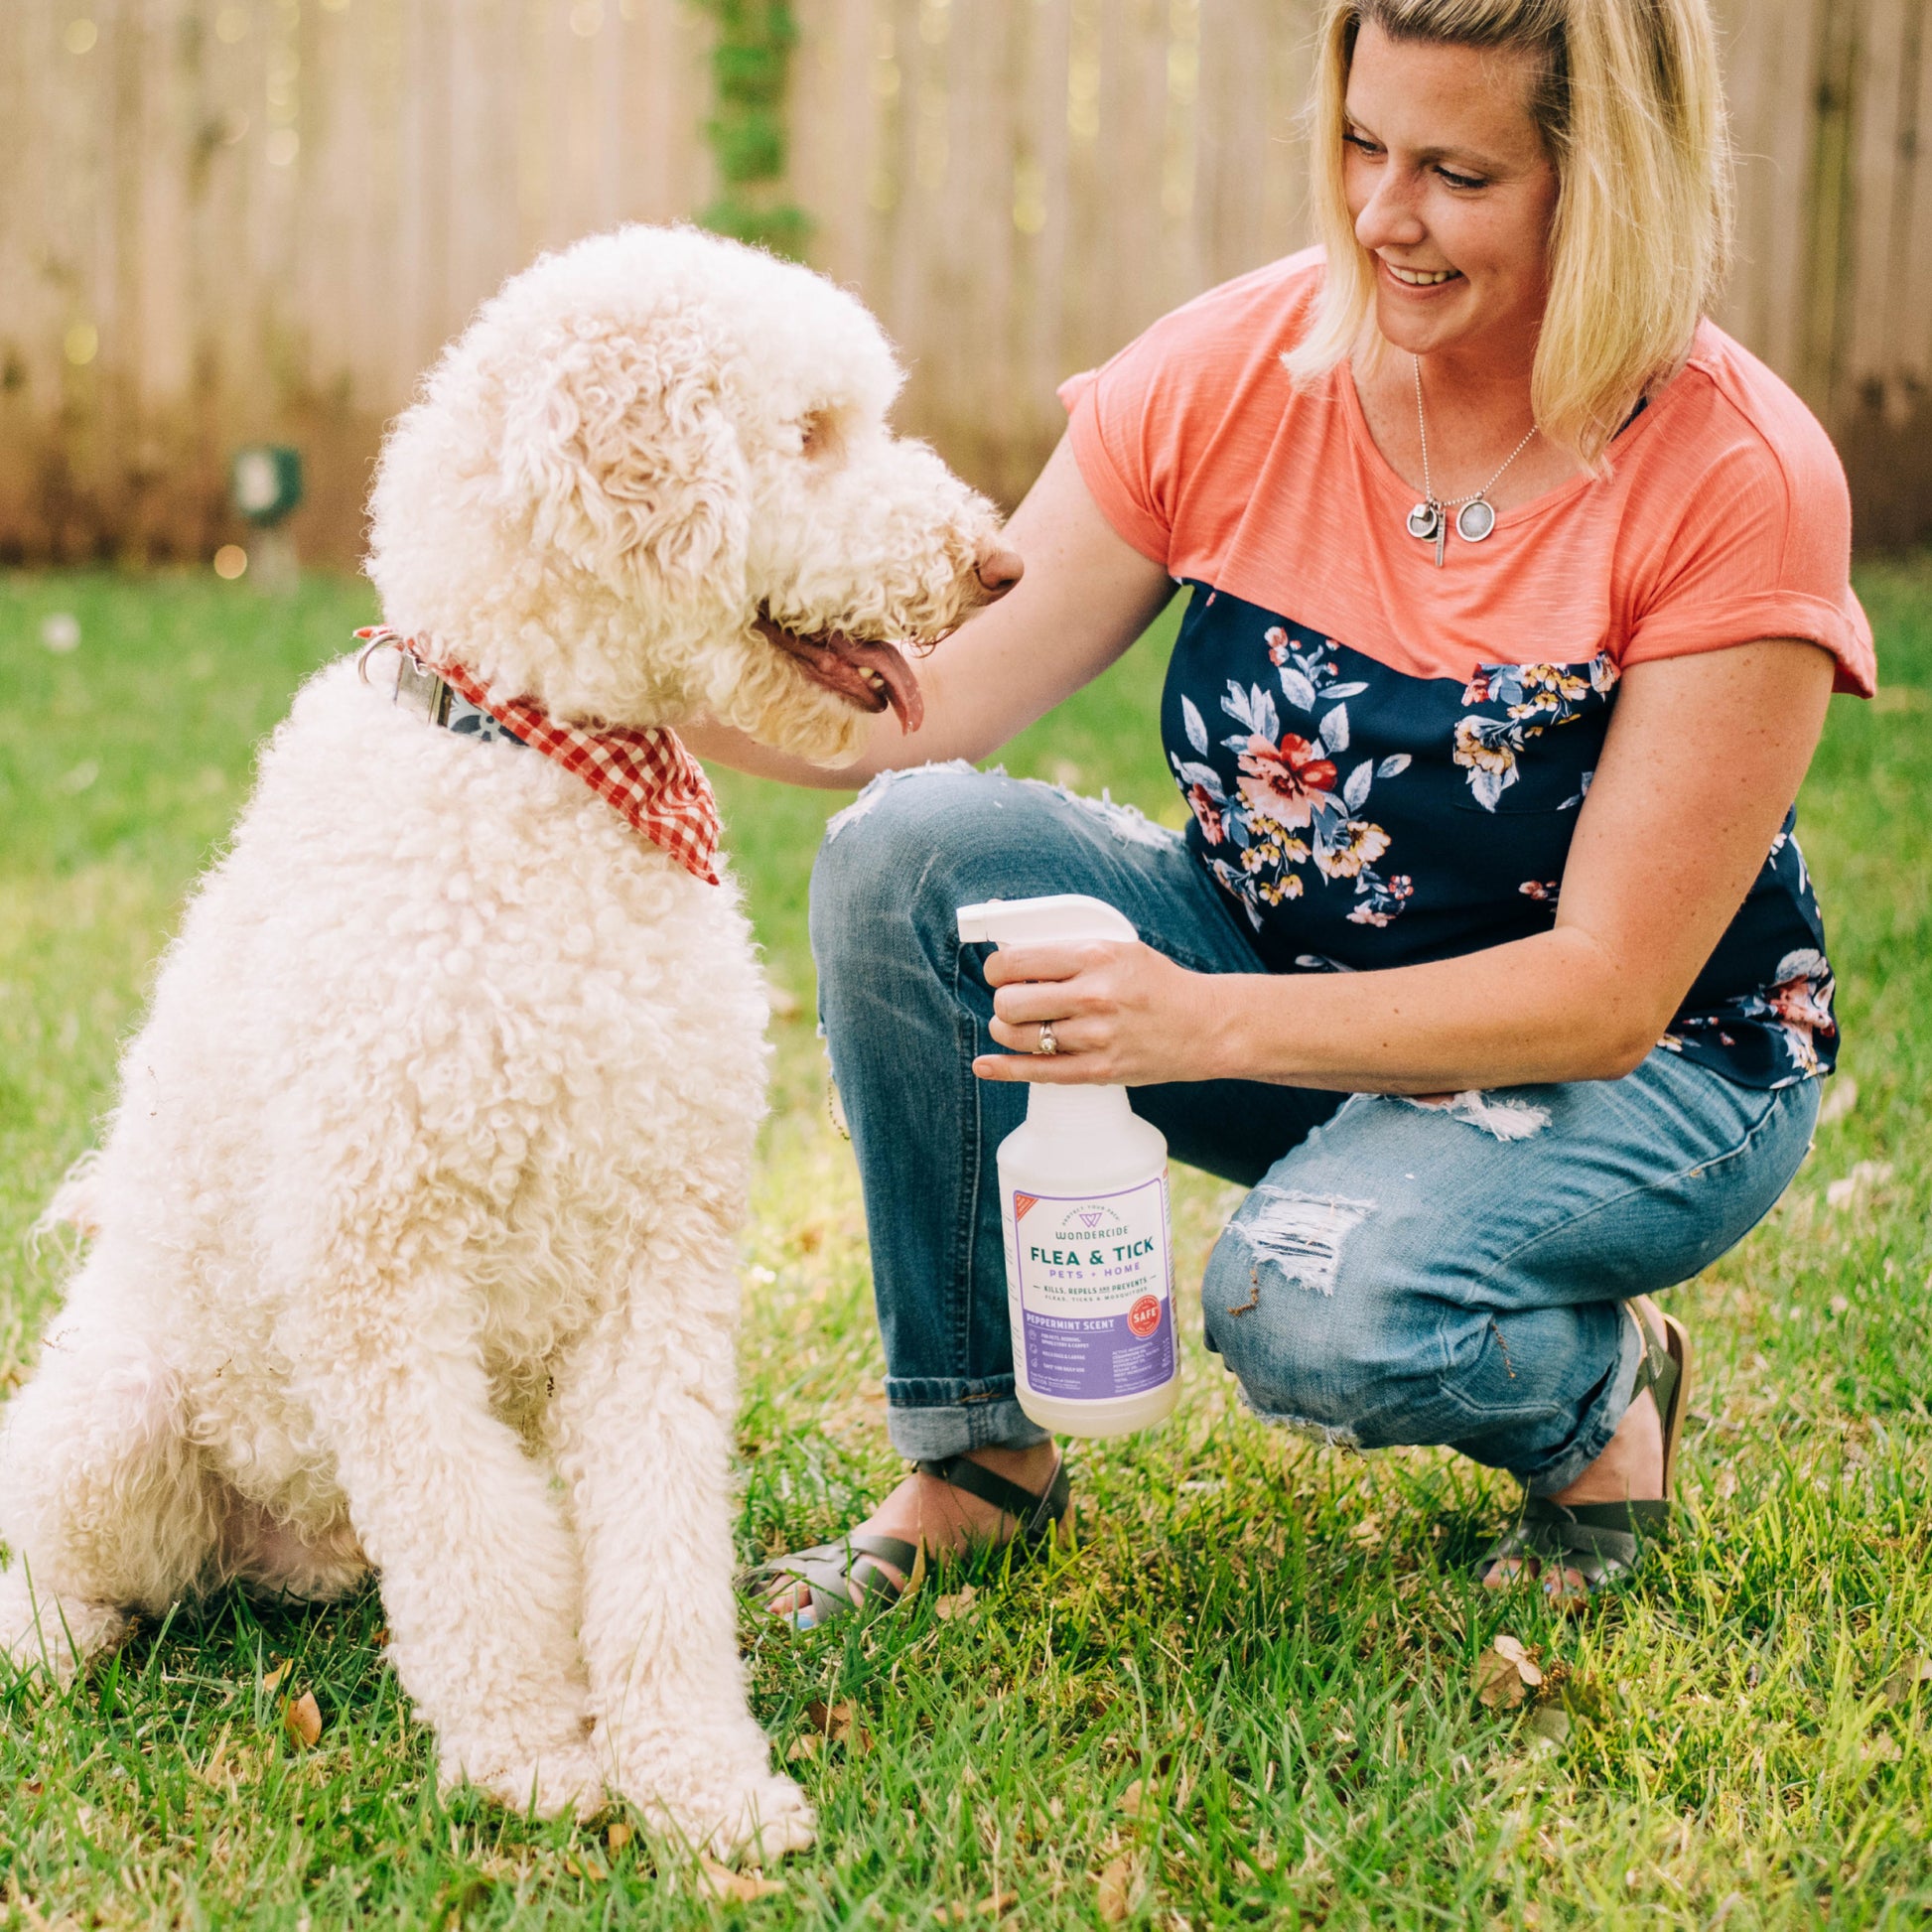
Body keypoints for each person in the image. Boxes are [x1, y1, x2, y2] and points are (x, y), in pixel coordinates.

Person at [691, 0, 1874, 1623]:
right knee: (910, 857)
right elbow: (930, 704)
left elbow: (1605, 992)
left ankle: (1604, 1400)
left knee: (1311, 1306)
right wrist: (585, 658)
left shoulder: (1736, 475)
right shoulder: (1240, 371)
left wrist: (1191, 1019)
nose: (1384, 213)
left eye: (1455, 172)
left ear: (1601, 183)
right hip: (1279, 995)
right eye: (1360, 142)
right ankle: (976, 1458)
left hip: (1649, 1063)